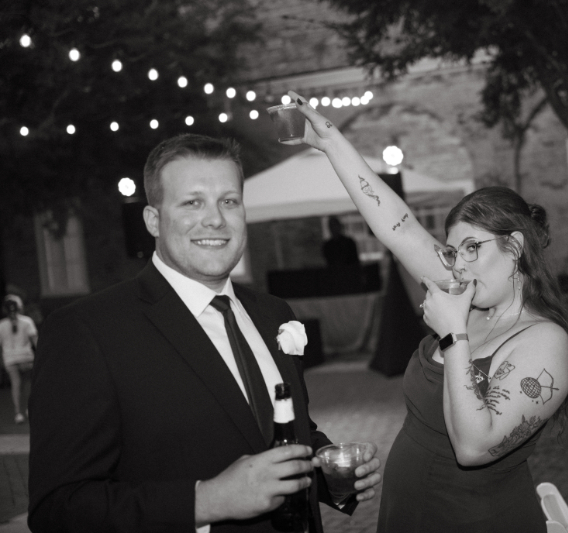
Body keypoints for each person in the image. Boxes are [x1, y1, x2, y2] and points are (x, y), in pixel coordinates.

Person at [28, 134, 381, 532]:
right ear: (152, 220)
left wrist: (329, 472)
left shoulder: (272, 313)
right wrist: (206, 501)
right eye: (192, 202)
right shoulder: (87, 332)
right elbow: (58, 508)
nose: (215, 219)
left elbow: (281, 433)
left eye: (228, 201)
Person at [288, 90, 568, 532]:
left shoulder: (544, 341)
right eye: (452, 251)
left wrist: (453, 337)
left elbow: (474, 445)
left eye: (472, 248)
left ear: (515, 247)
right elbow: (398, 225)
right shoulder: (468, 294)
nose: (458, 264)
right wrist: (331, 141)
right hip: (409, 513)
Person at [0, 294, 37, 424]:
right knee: (27, 384)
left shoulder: (2, 325)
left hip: (10, 358)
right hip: (26, 357)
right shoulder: (27, 321)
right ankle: (28, 408)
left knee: (15, 384)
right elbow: (35, 340)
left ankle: (18, 413)